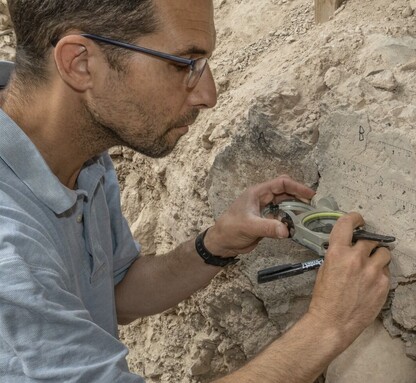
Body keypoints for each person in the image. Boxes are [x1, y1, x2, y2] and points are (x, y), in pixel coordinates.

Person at [0, 0, 392, 381]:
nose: (209, 94)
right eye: (184, 64)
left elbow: (116, 292)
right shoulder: (11, 253)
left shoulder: (80, 150)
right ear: (80, 63)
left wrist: (216, 244)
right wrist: (327, 328)